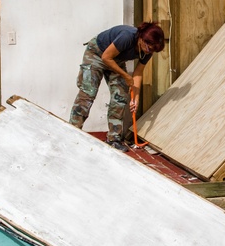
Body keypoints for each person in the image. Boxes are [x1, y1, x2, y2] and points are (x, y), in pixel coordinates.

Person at [69, 22, 165, 151]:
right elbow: (106, 57)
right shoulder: (127, 36)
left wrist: (135, 98)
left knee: (120, 96)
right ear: (141, 38)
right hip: (97, 54)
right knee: (88, 93)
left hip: (116, 60)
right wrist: (126, 76)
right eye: (148, 47)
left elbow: (137, 73)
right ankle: (71, 132)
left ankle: (114, 139)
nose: (149, 50)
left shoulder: (148, 50)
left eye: (153, 49)